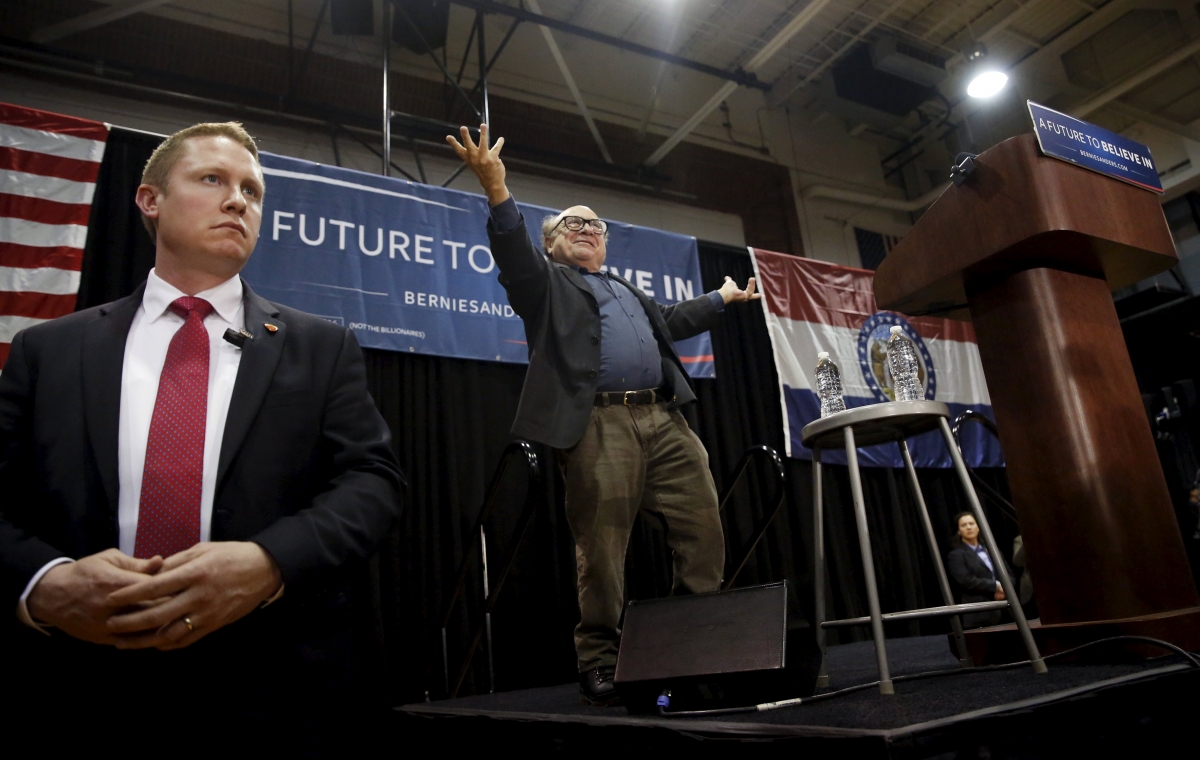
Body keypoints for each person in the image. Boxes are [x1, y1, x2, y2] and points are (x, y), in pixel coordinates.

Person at [0, 122, 404, 718]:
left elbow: (373, 482)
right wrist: (44, 582)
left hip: (272, 685)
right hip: (77, 681)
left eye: (252, 190)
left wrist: (269, 562)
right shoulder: (49, 349)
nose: (238, 199)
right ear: (150, 200)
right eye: (212, 179)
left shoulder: (320, 348)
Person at [447, 124, 761, 705]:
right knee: (603, 551)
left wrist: (721, 299)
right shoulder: (543, 284)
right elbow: (513, 254)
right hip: (596, 425)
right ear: (552, 243)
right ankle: (600, 658)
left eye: (596, 225)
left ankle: (693, 647)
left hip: (666, 421)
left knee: (704, 533)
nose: (588, 229)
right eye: (574, 223)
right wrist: (496, 189)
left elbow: (670, 321)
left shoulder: (624, 289)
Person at [946, 511, 1006, 628]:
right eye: (964, 525)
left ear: (978, 527)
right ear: (959, 531)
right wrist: (996, 586)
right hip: (978, 613)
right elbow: (965, 580)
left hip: (1004, 608)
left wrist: (1004, 589)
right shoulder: (956, 555)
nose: (968, 527)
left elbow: (1008, 574)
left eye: (971, 523)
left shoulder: (992, 550)